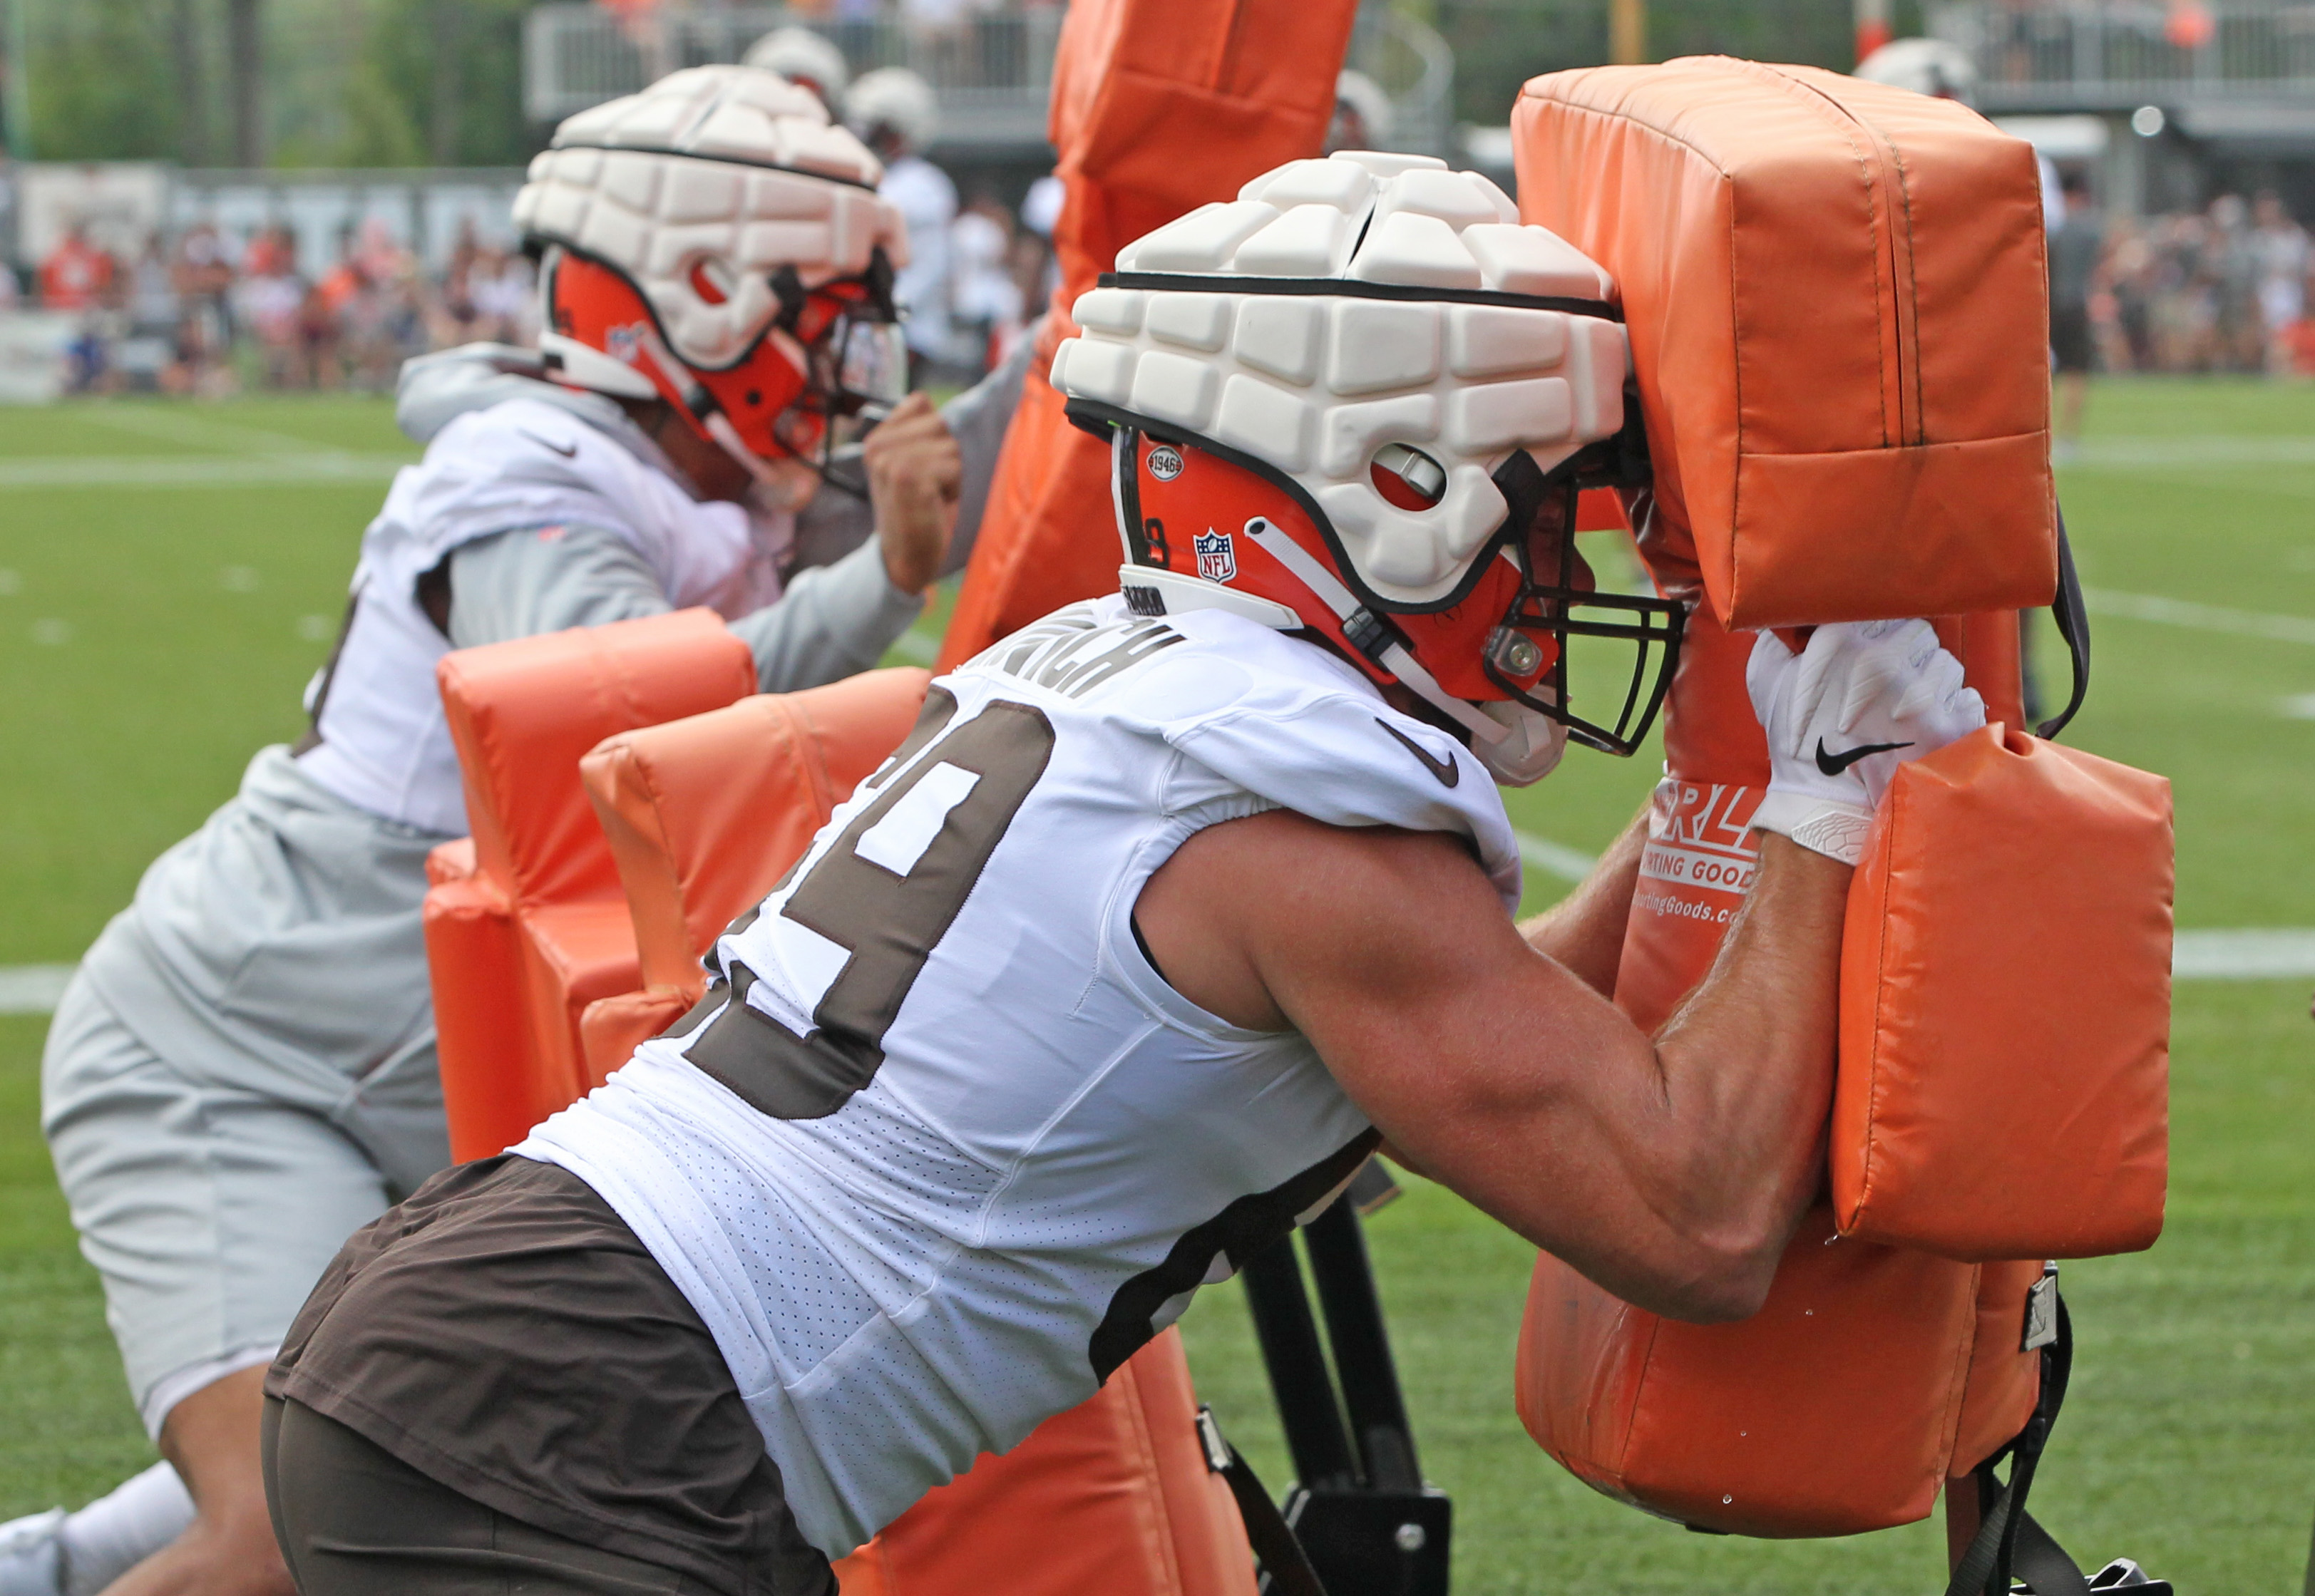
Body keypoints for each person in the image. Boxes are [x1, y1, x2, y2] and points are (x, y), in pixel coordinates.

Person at [255, 151, 1989, 1595]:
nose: (1558, 566)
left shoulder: (1127, 672)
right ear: (1390, 488)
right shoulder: (1301, 831)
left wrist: (1734, 802)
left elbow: (1462, 1020)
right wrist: (1830, 795)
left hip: (524, 1334)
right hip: (588, 1423)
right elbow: (1690, 1219)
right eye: (1535, 509)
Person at [2, 65, 1027, 1596]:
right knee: (285, 1535)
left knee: (395, 1466)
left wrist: (1095, 338)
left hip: (410, 1086)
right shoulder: (529, 479)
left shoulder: (693, 479)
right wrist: (880, 579)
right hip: (236, 1062)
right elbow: (617, 736)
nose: (849, 357)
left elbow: (981, 464)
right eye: (818, 311)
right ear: (692, 296)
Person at [848, 67, 955, 379]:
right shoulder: (878, 176)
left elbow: (929, 265)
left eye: (880, 130)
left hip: (907, 323)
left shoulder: (922, 185)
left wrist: (892, 308)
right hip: (875, 320)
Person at [2048, 169, 2103, 453]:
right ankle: (2068, 435)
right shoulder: (2089, 229)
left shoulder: (2053, 227)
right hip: (2077, 305)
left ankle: (2046, 432)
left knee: (2048, 372)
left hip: (2051, 306)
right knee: (2076, 371)